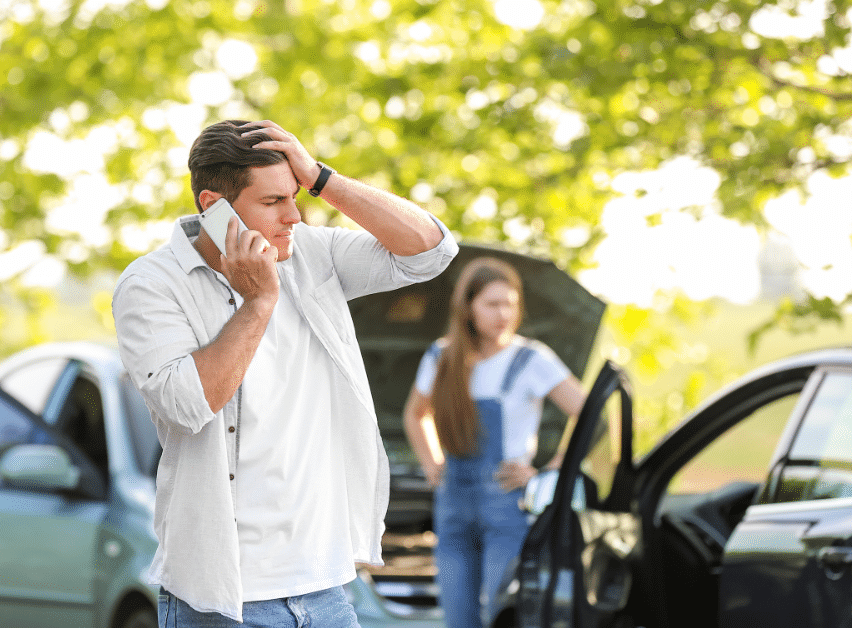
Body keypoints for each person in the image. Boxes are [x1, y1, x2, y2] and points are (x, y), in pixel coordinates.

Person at [112, 119, 458, 627]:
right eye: (274, 202)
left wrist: (321, 177)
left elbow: (431, 251)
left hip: (328, 589)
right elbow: (187, 405)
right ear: (213, 206)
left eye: (296, 196)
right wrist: (258, 303)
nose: (295, 215)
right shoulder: (150, 284)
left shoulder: (313, 253)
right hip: (225, 600)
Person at [402, 256, 587, 628]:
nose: (503, 313)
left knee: (501, 614)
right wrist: (433, 465)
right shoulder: (442, 356)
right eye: (492, 303)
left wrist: (550, 472)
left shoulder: (531, 358)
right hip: (452, 504)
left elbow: (590, 414)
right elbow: (415, 413)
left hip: (508, 506)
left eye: (510, 304)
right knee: (458, 617)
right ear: (468, 308)